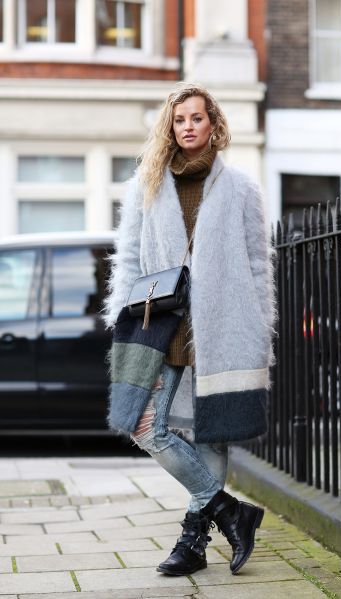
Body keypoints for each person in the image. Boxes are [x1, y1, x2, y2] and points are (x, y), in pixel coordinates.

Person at [103, 83, 276, 577]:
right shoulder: (147, 184)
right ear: (170, 126)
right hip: (162, 322)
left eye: (196, 118)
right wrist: (122, 314)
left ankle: (194, 542)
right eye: (179, 120)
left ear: (213, 123)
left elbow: (258, 265)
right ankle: (229, 510)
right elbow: (129, 256)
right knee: (144, 426)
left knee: (211, 434)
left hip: (224, 325)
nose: (188, 127)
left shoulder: (241, 188)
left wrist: (260, 328)